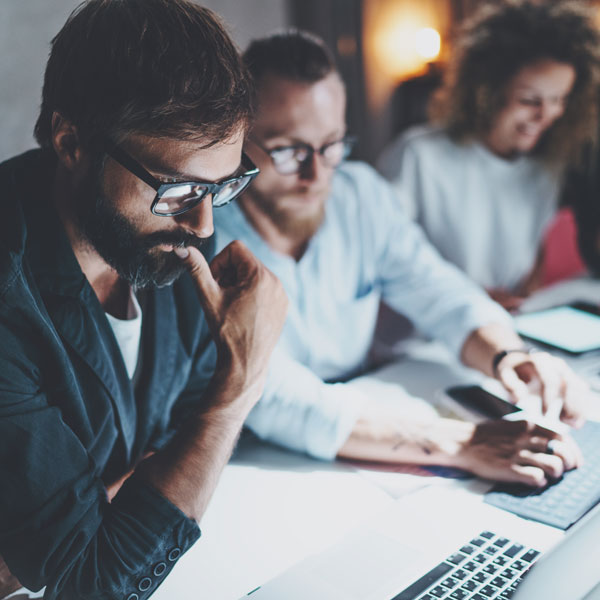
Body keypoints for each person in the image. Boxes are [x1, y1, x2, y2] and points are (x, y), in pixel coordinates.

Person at [214, 30, 589, 489]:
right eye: (289, 151)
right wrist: (462, 443)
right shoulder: (205, 235)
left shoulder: (360, 193)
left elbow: (436, 288)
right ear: (236, 140)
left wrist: (508, 355)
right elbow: (273, 396)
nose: (317, 174)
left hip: (370, 435)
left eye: (331, 144)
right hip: (256, 462)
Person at [0, 1, 288, 598]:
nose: (206, 226)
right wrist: (235, 395)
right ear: (71, 141)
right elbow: (87, 583)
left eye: (223, 185)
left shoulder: (167, 243)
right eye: (179, 188)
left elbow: (173, 441)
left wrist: (96, 513)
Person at [378, 0, 600, 312]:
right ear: (485, 92)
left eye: (558, 100)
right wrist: (470, 297)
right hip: (426, 337)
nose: (547, 115)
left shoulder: (548, 166)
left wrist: (522, 295)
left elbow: (533, 252)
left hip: (506, 325)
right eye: (529, 100)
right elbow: (381, 259)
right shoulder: (418, 157)